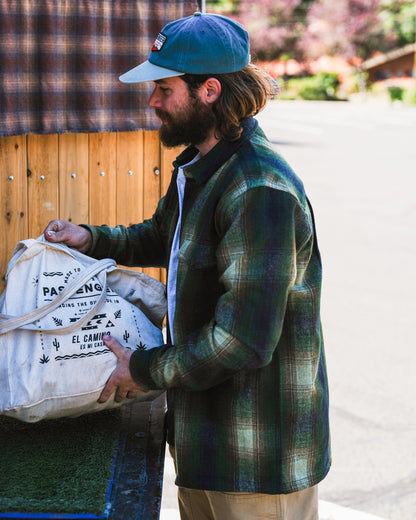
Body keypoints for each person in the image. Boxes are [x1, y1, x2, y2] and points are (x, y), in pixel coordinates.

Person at [45, 12, 330, 520]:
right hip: (205, 446)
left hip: (255, 464)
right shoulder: (201, 164)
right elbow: (163, 237)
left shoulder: (258, 189)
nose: (152, 101)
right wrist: (89, 239)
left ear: (210, 91)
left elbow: (241, 341)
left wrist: (143, 369)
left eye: (163, 88)